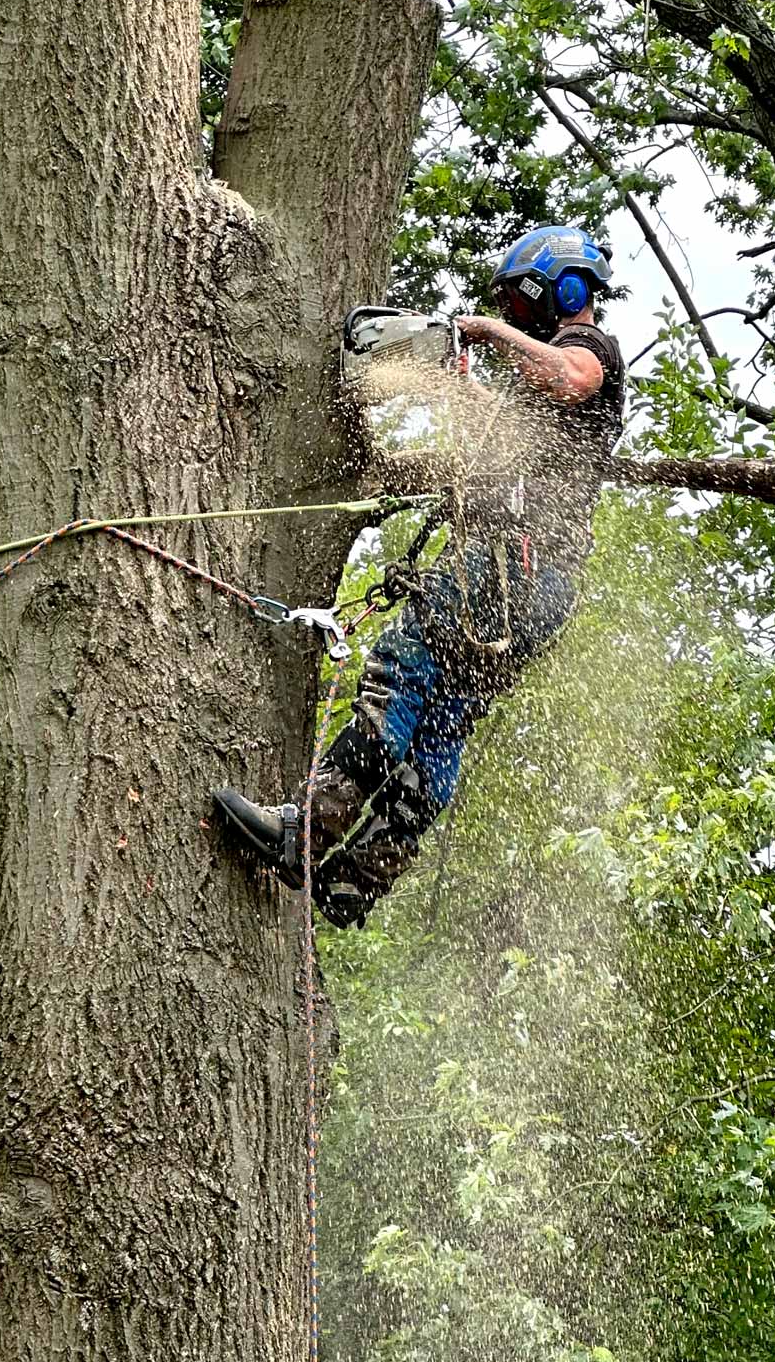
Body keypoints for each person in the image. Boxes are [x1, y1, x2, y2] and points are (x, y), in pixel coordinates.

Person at [213, 225, 627, 926]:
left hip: (509, 567)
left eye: (523, 304)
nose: (519, 316)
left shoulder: (589, 350)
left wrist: (492, 333)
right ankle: (355, 877)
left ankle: (307, 829)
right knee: (442, 721)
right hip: (538, 585)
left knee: (403, 667)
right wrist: (453, 387)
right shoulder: (540, 407)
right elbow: (505, 444)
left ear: (564, 291)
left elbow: (569, 375)